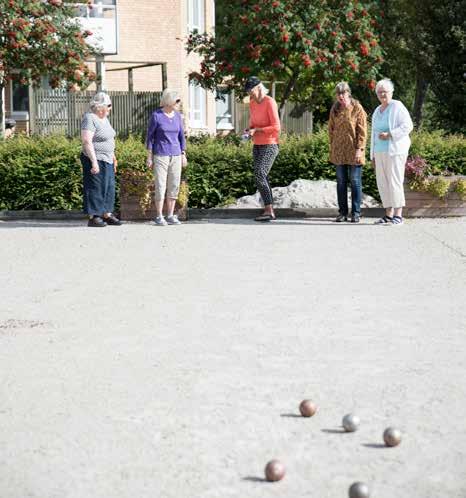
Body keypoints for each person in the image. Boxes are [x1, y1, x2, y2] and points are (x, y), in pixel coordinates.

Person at [370, 78, 413, 225]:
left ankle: (398, 215)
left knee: (395, 182)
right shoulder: (377, 110)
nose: (382, 94)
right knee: (382, 183)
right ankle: (388, 215)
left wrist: (390, 134)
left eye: (385, 92)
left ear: (391, 92)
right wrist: (372, 155)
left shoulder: (397, 106)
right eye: (379, 92)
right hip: (379, 151)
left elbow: (408, 126)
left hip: (395, 151)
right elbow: (373, 135)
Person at [80, 92, 122, 227]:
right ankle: (94, 216)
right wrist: (93, 162)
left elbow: (109, 138)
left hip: (108, 158)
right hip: (95, 158)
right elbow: (87, 141)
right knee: (95, 187)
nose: (110, 108)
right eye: (108, 105)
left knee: (109, 187)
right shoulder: (90, 118)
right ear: (100, 106)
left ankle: (106, 214)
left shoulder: (105, 119)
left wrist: (113, 156)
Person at [146, 89, 187, 226]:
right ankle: (159, 216)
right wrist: (149, 156)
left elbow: (182, 137)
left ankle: (170, 215)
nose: (178, 103)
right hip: (160, 155)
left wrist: (183, 154)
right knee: (160, 185)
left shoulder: (178, 116)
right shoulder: (156, 116)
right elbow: (150, 138)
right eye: (176, 101)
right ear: (169, 101)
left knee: (174, 185)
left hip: (175, 154)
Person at [328, 82, 367, 223]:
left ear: (348, 93)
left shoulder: (357, 108)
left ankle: (356, 213)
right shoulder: (335, 108)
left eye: (343, 93)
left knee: (355, 181)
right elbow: (331, 129)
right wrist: (332, 147)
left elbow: (362, 131)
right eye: (338, 93)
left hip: (354, 150)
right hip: (339, 151)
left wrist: (360, 149)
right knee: (341, 182)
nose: (340, 96)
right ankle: (342, 213)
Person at [245, 76, 281, 222]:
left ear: (258, 87)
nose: (249, 94)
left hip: (270, 144)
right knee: (260, 176)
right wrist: (249, 130)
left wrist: (258, 130)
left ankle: (269, 210)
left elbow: (277, 127)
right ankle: (268, 209)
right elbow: (253, 123)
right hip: (257, 144)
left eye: (250, 90)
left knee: (260, 173)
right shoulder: (252, 103)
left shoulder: (270, 102)